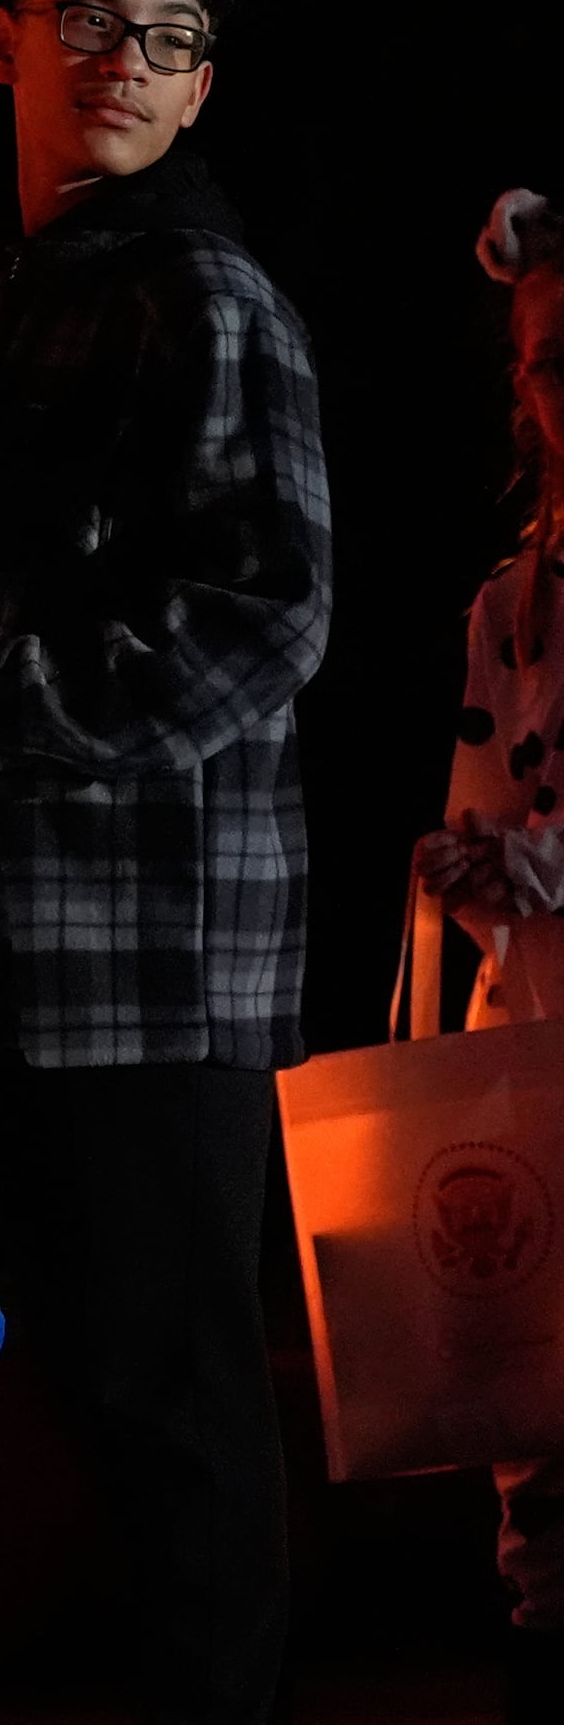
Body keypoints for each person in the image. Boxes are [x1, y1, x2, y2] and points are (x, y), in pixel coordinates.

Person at [0, 0, 326, 1723]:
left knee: (174, 1430)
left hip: (147, 975)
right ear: (4, 42)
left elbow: (264, 626)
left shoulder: (211, 298)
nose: (126, 63)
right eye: (86, 17)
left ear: (204, 91)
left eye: (171, 38)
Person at [418, 187, 564, 1720]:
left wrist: (524, 862)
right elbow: (483, 816)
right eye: (549, 362)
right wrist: (466, 868)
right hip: (534, 1036)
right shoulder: (514, 606)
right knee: (536, 1387)